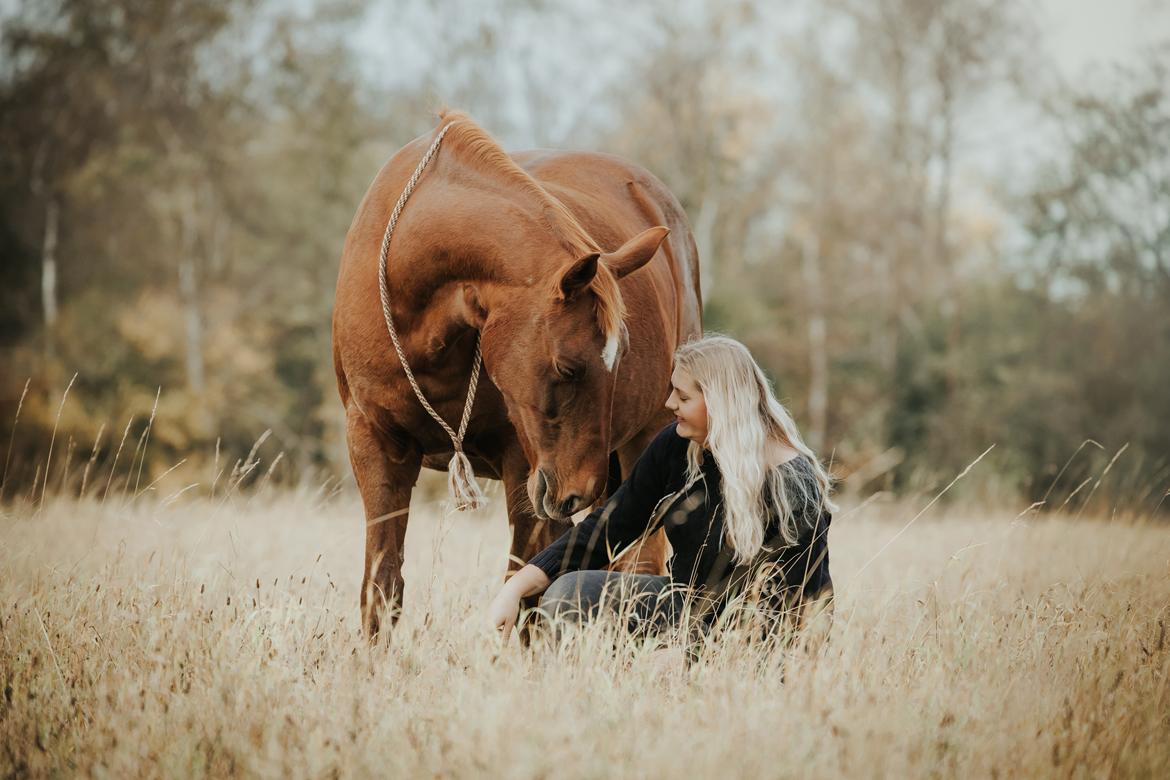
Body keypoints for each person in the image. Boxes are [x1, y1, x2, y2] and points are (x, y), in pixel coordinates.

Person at [487, 334, 835, 647]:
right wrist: (516, 586)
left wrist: (691, 655)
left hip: (757, 634)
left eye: (682, 396)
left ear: (721, 403)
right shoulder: (677, 446)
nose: (669, 403)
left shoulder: (794, 483)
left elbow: (788, 610)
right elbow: (608, 528)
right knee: (569, 594)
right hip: (683, 605)